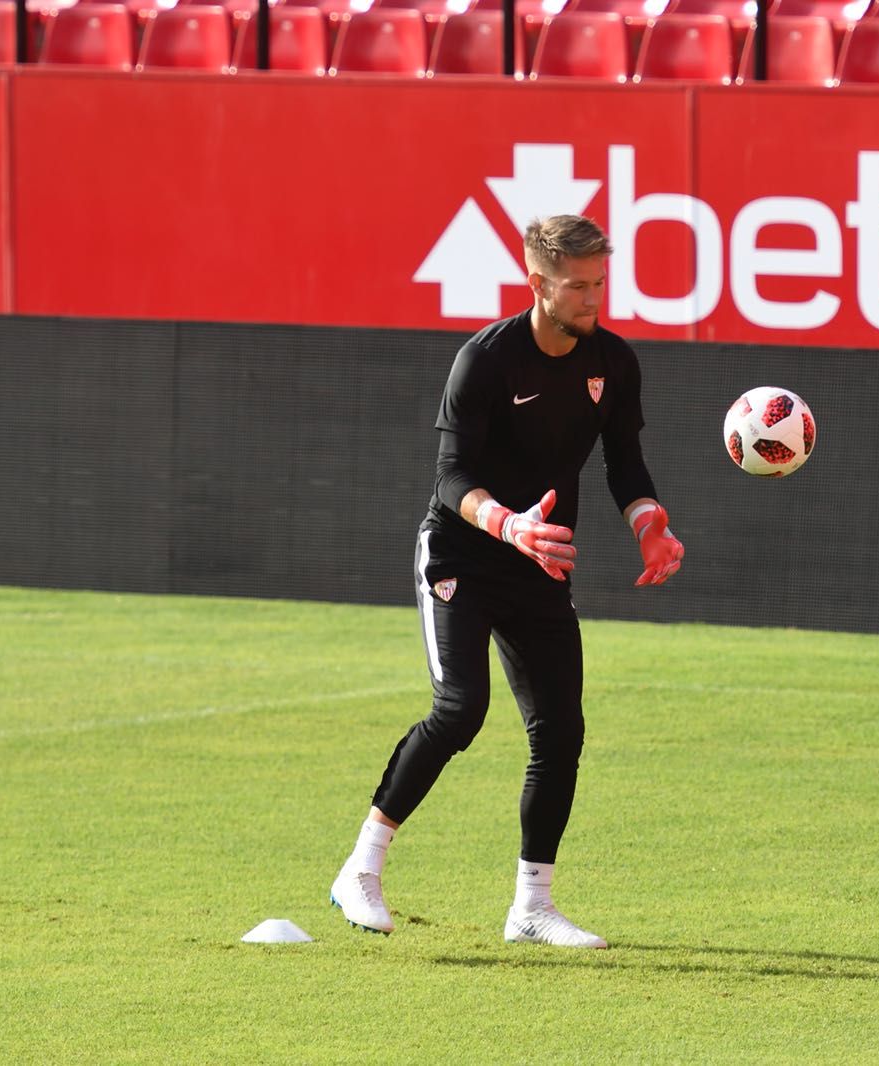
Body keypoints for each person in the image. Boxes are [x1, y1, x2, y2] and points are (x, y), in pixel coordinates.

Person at [329, 214, 684, 949]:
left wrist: (649, 522)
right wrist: (508, 524)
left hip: (539, 563)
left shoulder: (613, 363)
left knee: (561, 730)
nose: (593, 299)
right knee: (461, 709)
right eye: (578, 287)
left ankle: (532, 906)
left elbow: (625, 462)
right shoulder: (485, 361)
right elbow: (451, 475)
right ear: (537, 284)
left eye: (599, 284)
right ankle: (361, 868)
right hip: (464, 553)